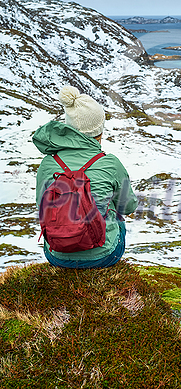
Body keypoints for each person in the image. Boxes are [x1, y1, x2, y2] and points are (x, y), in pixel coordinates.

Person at [33, 86, 138, 268]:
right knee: (115, 211)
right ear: (100, 130)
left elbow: (41, 206)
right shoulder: (110, 163)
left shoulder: (48, 163)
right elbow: (128, 206)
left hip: (57, 255)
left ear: (68, 127)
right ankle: (97, 251)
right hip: (104, 257)